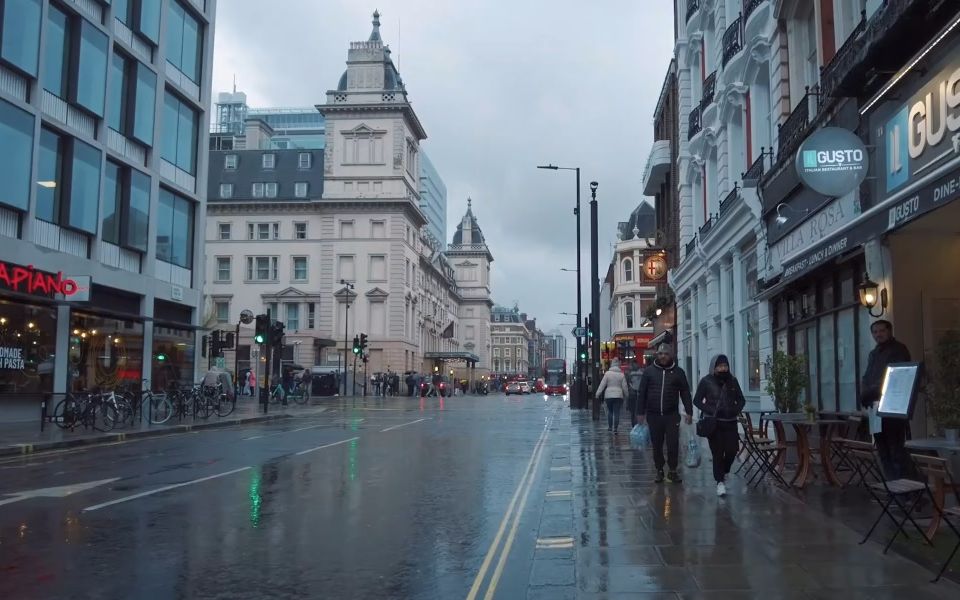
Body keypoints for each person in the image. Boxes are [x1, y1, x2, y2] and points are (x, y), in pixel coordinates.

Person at [860, 319, 912, 479]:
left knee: (896, 450)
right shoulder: (874, 353)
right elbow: (867, 376)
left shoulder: (898, 350)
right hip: (874, 407)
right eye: (875, 332)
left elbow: (893, 377)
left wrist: (868, 392)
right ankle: (892, 487)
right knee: (882, 450)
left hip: (892, 408)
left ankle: (905, 490)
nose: (878, 334)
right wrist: (864, 393)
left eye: (881, 331)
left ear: (889, 331)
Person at [637, 344, 693, 483]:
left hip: (671, 414)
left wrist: (689, 411)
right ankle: (659, 469)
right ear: (657, 355)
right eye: (660, 353)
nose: (663, 356)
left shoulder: (679, 372)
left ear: (671, 355)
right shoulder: (649, 372)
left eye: (666, 353)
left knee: (673, 444)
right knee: (657, 445)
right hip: (654, 415)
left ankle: (673, 470)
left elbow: (685, 392)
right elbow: (642, 392)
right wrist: (640, 412)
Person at [693, 354, 746, 497]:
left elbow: (741, 400)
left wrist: (735, 410)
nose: (723, 368)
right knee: (717, 453)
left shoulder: (732, 381)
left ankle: (724, 471)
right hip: (714, 424)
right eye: (720, 366)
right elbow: (697, 400)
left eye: (725, 366)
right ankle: (719, 482)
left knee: (731, 451)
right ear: (714, 367)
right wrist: (710, 409)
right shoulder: (706, 381)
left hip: (730, 422)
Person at [596, 359, 629, 433]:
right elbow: (625, 387)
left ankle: (610, 427)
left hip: (609, 396)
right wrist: (627, 395)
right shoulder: (621, 374)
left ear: (612, 364)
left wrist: (597, 394)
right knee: (617, 412)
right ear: (618, 365)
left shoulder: (607, 374)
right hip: (618, 396)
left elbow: (602, 385)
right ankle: (615, 428)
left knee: (610, 411)